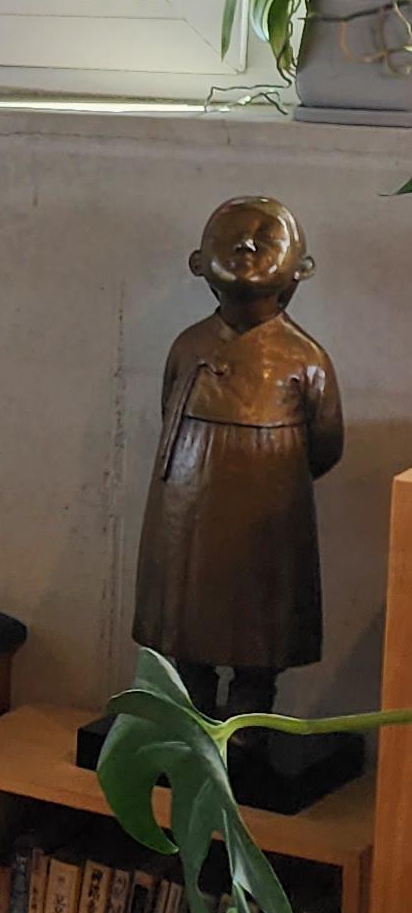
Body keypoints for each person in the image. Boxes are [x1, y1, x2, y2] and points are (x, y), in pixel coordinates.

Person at [131, 194, 343, 735]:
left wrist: (273, 477)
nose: (247, 244)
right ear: (199, 262)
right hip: (187, 512)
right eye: (231, 237)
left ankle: (248, 720)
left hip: (270, 519)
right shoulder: (188, 346)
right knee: (187, 621)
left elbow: (325, 445)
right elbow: (167, 413)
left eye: (265, 238)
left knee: (261, 624)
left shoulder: (306, 359)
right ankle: (192, 710)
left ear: (300, 269)